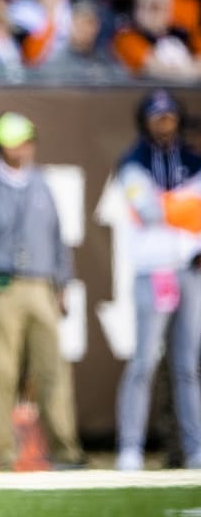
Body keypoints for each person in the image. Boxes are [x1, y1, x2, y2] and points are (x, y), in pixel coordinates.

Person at [0, 112, 85, 471]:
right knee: (1, 372)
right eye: (17, 141)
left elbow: (59, 238)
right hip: (1, 286)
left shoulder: (42, 183)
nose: (24, 147)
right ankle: (3, 452)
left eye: (27, 140)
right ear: (2, 145)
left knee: (53, 369)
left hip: (42, 285)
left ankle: (66, 451)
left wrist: (62, 284)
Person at [113, 90, 201, 470]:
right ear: (145, 120)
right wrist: (186, 207)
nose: (164, 123)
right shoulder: (133, 160)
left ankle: (195, 447)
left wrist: (170, 207)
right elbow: (145, 209)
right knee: (144, 362)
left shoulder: (192, 159)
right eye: (157, 117)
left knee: (187, 366)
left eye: (169, 116)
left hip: (190, 269)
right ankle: (129, 447)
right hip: (153, 271)